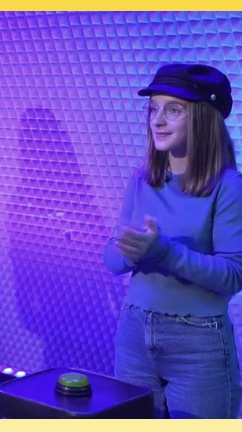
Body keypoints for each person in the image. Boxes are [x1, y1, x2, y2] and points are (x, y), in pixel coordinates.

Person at [103, 63, 242, 419]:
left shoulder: (228, 187)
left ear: (204, 118)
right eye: (153, 109)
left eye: (173, 110)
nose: (158, 121)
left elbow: (233, 275)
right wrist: (132, 251)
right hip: (135, 333)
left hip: (198, 344)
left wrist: (164, 252)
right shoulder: (141, 179)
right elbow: (112, 260)